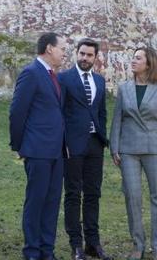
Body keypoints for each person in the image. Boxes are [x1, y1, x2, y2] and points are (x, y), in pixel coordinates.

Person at [109, 47, 157, 260]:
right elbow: (118, 118)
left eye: (138, 58)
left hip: (156, 150)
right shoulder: (124, 88)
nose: (133, 61)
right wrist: (114, 147)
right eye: (133, 58)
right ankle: (138, 245)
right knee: (133, 197)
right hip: (128, 150)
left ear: (149, 63)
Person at [9, 32, 69, 260]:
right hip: (37, 151)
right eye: (62, 48)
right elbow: (17, 112)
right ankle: (32, 252)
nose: (64, 53)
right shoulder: (31, 73)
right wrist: (19, 146)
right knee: (36, 201)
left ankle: (47, 250)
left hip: (56, 151)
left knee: (52, 203)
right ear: (49, 48)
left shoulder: (54, 76)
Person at [58, 38, 111, 260]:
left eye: (89, 55)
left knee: (93, 194)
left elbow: (101, 111)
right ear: (76, 53)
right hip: (72, 145)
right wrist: (63, 143)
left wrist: (102, 137)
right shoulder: (64, 79)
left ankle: (93, 243)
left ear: (95, 57)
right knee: (72, 194)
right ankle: (76, 246)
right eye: (82, 53)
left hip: (94, 144)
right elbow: (59, 113)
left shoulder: (99, 80)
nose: (85, 58)